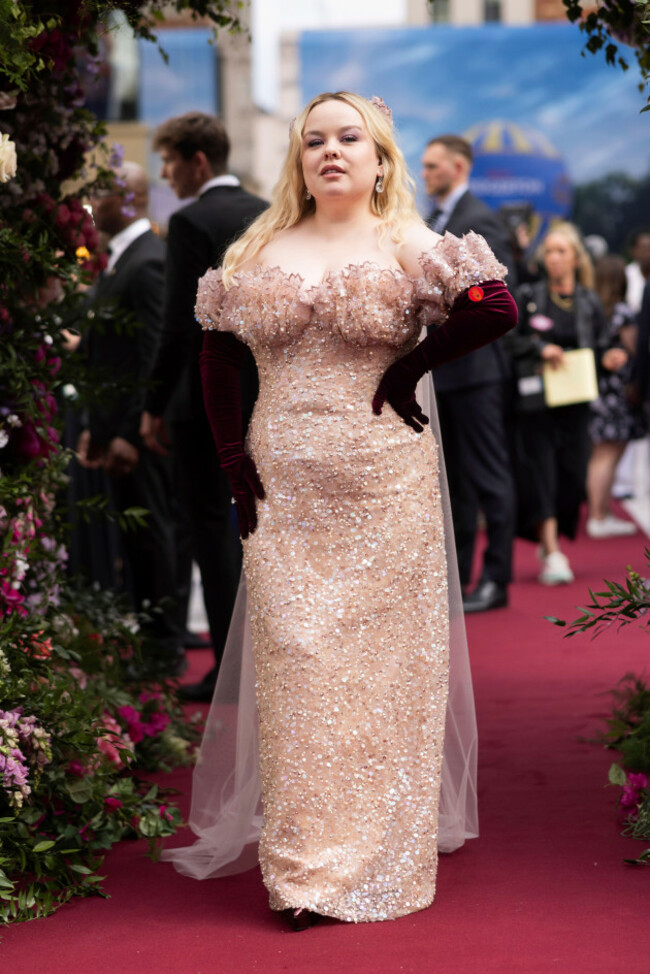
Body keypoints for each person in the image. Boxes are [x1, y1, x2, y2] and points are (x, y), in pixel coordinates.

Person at [163, 91, 517, 927]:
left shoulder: (409, 241)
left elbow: (495, 307)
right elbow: (214, 354)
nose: (331, 151)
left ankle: (375, 857)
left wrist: (406, 368)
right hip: (282, 487)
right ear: (298, 158)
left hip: (384, 486)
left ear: (380, 157)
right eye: (314, 139)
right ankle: (302, 872)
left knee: (381, 677)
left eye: (348, 138)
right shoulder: (263, 244)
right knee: (296, 671)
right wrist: (230, 458)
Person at [140, 112, 267, 701]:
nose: (164, 175)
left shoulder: (189, 221)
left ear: (197, 161)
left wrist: (154, 404)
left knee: (214, 534)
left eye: (168, 162)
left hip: (205, 402)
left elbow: (178, 327)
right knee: (264, 531)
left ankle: (230, 670)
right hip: (269, 394)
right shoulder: (272, 210)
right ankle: (269, 661)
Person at [78, 163, 185, 674]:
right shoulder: (120, 259)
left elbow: (149, 355)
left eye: (96, 192)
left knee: (152, 537)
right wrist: (96, 428)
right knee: (136, 542)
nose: (88, 202)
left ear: (125, 197)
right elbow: (108, 352)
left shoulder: (148, 261)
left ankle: (164, 649)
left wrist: (128, 432)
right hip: (116, 428)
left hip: (138, 433)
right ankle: (147, 644)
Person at [420, 135, 517, 613]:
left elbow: (497, 293)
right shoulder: (434, 219)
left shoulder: (478, 219)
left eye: (433, 166)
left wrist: (444, 304)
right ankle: (458, 579)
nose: (426, 173)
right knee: (452, 481)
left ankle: (497, 579)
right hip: (445, 371)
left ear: (458, 167)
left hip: (477, 370)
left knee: (489, 476)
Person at [510, 222, 610, 585]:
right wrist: (541, 348)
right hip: (538, 403)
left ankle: (552, 536)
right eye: (548, 251)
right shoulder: (529, 295)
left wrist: (611, 356)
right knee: (542, 473)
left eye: (561, 251)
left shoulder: (588, 300)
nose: (553, 258)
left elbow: (602, 342)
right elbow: (512, 339)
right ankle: (551, 549)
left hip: (576, 399)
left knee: (573, 473)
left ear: (575, 258)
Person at [586, 255, 642, 538]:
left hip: (597, 389)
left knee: (601, 452)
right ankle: (598, 514)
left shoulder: (594, 307)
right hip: (617, 392)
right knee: (607, 452)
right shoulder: (622, 313)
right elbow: (636, 349)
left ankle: (600, 512)